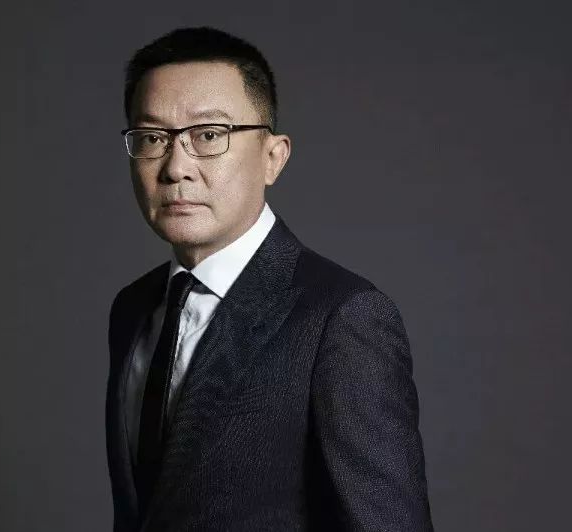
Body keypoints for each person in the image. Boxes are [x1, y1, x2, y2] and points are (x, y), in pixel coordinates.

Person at [106, 26, 433, 531]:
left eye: (208, 135)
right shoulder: (134, 309)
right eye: (152, 138)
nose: (175, 168)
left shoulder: (342, 319)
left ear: (273, 157)